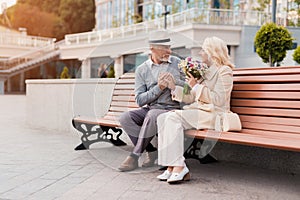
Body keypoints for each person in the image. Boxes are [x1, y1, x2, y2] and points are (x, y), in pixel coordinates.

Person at [156, 36, 237, 183]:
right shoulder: (205, 71)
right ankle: (171, 166)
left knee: (173, 117)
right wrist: (174, 87)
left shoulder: (225, 72)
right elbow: (191, 97)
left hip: (215, 114)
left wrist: (196, 86)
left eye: (203, 50)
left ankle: (179, 167)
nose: (200, 53)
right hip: (200, 112)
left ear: (212, 52)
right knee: (162, 117)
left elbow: (219, 100)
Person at [118, 30, 186, 172]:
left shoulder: (178, 63)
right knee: (125, 118)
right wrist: (159, 88)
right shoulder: (142, 70)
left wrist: (174, 83)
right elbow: (140, 100)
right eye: (165, 48)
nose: (169, 51)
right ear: (152, 49)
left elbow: (190, 88)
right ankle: (151, 150)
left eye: (169, 47)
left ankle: (134, 156)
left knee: (152, 114)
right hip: (151, 109)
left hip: (172, 109)